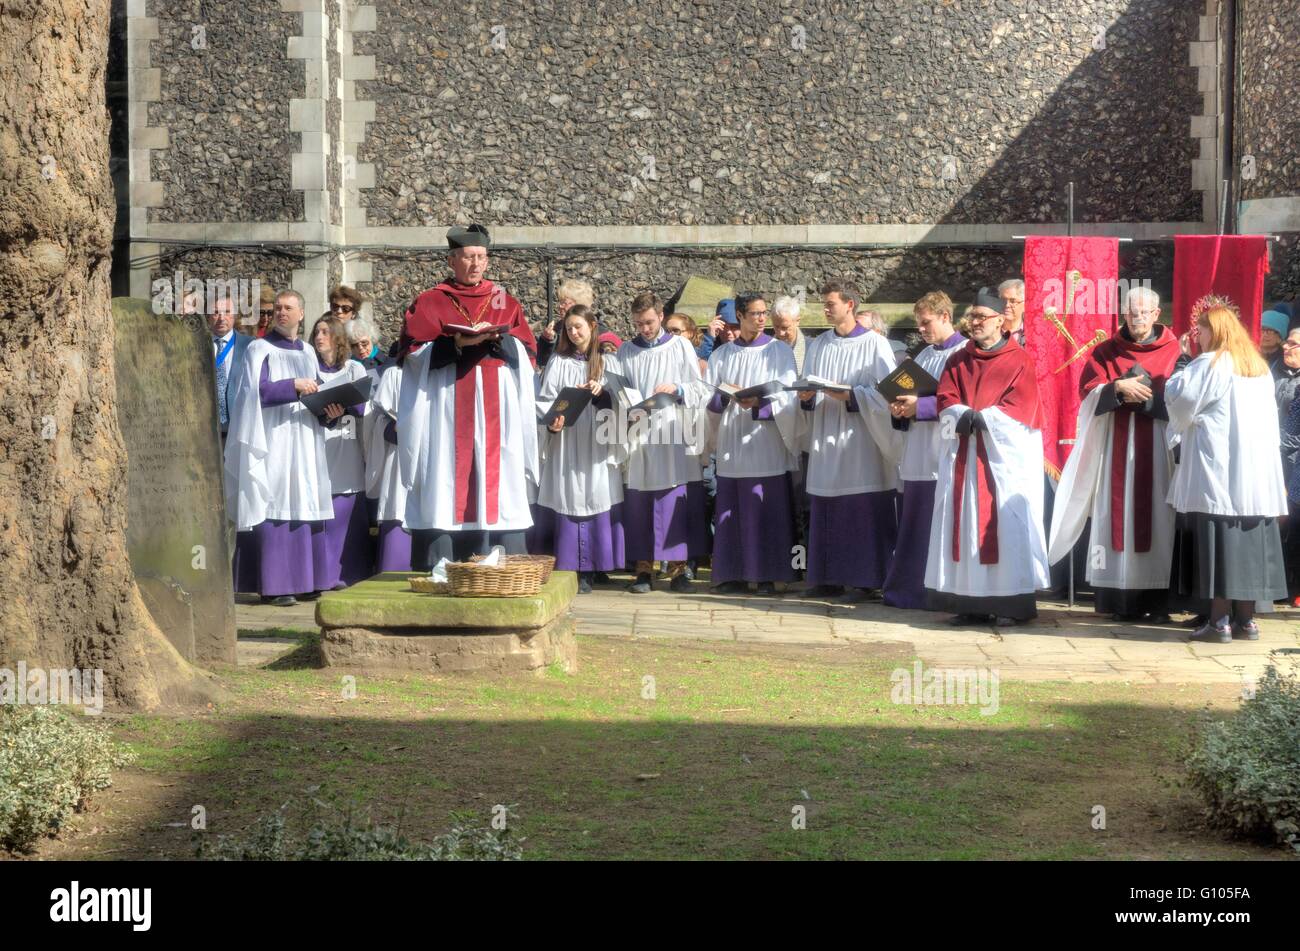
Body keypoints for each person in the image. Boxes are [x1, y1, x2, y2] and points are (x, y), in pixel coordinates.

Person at [395, 223, 539, 566]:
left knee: (498, 475)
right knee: (446, 473)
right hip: (447, 400)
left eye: (481, 258)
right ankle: (442, 565)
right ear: (452, 260)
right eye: (468, 257)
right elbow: (412, 352)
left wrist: (500, 341)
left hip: (495, 404)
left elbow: (527, 351)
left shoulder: (503, 298)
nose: (476, 265)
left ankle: (501, 564)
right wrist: (455, 343)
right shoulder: (431, 300)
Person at [1049, 287, 1180, 622]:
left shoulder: (1174, 349)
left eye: (1143, 312)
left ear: (1156, 314)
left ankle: (1157, 601)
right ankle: (1117, 601)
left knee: (1158, 516)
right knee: (1114, 516)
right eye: (1130, 312)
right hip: (1114, 449)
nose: (1136, 318)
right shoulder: (1107, 350)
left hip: (1157, 446)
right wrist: (1116, 389)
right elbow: (1087, 392)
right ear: (1123, 313)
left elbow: (1183, 396)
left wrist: (1150, 399)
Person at [1166, 299, 1289, 643]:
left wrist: (1179, 369)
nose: (1198, 336)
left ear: (1214, 331)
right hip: (1256, 477)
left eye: (1201, 330)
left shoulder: (1209, 364)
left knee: (1219, 546)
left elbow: (1181, 403)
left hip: (1219, 472)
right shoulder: (1257, 366)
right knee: (1249, 547)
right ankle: (1246, 621)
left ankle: (1218, 621)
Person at [925, 288, 1049, 626]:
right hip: (965, 455)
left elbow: (1022, 408)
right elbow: (945, 398)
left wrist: (985, 419)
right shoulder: (958, 359)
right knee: (963, 525)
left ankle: (1010, 605)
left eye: (981, 317)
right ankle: (968, 603)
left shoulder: (1018, 359)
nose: (975, 323)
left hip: (1001, 463)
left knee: (1004, 527)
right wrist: (965, 415)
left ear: (1000, 320)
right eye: (972, 317)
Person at [225, 290, 335, 607]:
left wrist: (330, 411)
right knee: (274, 500)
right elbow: (253, 393)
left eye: (288, 308)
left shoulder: (309, 352)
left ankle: (306, 581)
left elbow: (316, 393)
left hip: (304, 437)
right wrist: (293, 386)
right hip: (273, 438)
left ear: (302, 314)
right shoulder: (259, 349)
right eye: (277, 308)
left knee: (303, 497)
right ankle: (275, 585)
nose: (281, 313)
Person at [799, 280, 899, 604]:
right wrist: (805, 396)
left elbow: (889, 396)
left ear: (850, 305)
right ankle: (827, 578)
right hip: (826, 435)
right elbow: (809, 384)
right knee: (827, 507)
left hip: (861, 440)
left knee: (861, 510)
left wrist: (852, 395)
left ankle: (866, 579)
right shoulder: (818, 345)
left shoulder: (875, 345)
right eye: (825, 304)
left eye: (831, 303)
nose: (826, 309)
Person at [866, 291, 966, 609]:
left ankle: (938, 593)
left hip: (945, 453)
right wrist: (899, 408)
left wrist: (919, 406)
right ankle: (909, 590)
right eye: (918, 324)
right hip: (918, 453)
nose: (921, 330)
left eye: (926, 323)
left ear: (945, 316)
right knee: (913, 527)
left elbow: (962, 401)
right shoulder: (923, 356)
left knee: (936, 528)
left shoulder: (965, 353)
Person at [615, 292, 710, 593]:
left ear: (660, 316)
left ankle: (679, 570)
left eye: (649, 322)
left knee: (674, 504)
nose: (644, 328)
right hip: (640, 435)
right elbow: (619, 391)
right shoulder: (626, 351)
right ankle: (644, 570)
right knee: (640, 505)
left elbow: (700, 387)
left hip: (673, 433)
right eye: (639, 323)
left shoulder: (680, 345)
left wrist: (679, 387)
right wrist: (626, 410)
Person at [705, 294, 800, 595]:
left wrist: (760, 404)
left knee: (767, 512)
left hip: (766, 442)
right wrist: (721, 398)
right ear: (741, 316)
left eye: (764, 313)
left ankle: (770, 575)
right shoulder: (721, 355)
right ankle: (732, 572)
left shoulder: (779, 352)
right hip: (733, 441)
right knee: (730, 513)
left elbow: (789, 397)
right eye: (755, 314)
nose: (761, 319)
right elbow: (707, 395)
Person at [536, 305, 625, 593]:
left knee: (596, 493)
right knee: (570, 494)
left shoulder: (609, 362)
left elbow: (624, 404)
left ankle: (597, 566)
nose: (574, 333)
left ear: (592, 325)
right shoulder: (558, 362)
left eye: (579, 327)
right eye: (569, 328)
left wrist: (602, 395)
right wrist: (553, 424)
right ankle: (573, 567)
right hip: (567, 439)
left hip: (597, 440)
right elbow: (545, 401)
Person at [308, 315, 372, 589]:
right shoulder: (307, 368)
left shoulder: (353, 368)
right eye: (316, 333)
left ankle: (348, 575)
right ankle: (320, 576)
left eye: (325, 332)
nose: (319, 337)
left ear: (337, 337)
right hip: (316, 446)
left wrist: (344, 407)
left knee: (345, 513)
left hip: (346, 446)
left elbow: (365, 406)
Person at [363, 363, 412, 572]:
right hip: (399, 458)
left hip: (434, 457)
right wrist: (393, 430)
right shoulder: (395, 373)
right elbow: (379, 418)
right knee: (398, 506)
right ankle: (395, 567)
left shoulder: (443, 370)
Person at [1273, 327, 1300, 605]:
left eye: (1293, 344)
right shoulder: (1273, 372)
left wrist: (1268, 440)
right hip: (1275, 459)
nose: (1285, 347)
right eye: (1287, 342)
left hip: (1293, 463)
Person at [208, 293, 253, 444]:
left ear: (234, 315)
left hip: (239, 429)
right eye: (215, 312)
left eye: (227, 312)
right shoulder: (196, 346)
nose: (221, 318)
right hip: (206, 429)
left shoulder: (250, 346)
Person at [536, 278, 595, 367]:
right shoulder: (558, 327)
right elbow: (542, 361)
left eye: (565, 303)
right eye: (560, 302)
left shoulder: (599, 333)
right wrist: (547, 341)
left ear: (579, 305)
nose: (560, 306)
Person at [770, 295, 807, 372]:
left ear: (797, 321)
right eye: (776, 326)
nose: (780, 333)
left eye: (785, 328)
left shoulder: (811, 349)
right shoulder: (766, 349)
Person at [999, 279, 1026, 346]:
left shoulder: (1033, 334)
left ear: (1024, 304)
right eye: (1003, 300)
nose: (1007, 305)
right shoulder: (991, 331)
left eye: (1013, 301)